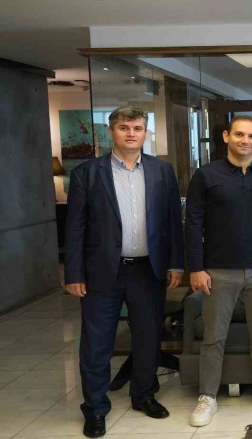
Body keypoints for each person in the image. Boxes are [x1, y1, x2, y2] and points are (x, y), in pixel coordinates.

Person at [64, 107, 184, 438]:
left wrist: (175, 263)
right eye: (124, 127)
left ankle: (143, 395)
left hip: (148, 270)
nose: (131, 133)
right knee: (96, 343)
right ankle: (95, 408)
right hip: (102, 272)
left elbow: (173, 222)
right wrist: (73, 273)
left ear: (146, 132)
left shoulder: (162, 171)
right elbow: (75, 228)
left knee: (148, 338)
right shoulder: (87, 173)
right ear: (111, 132)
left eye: (138, 127)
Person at [185, 115, 252, 427]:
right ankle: (208, 396)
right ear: (226, 137)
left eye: (251, 136)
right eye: (239, 135)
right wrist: (196, 267)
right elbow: (193, 222)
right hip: (218, 270)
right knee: (213, 337)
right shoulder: (206, 175)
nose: (245, 141)